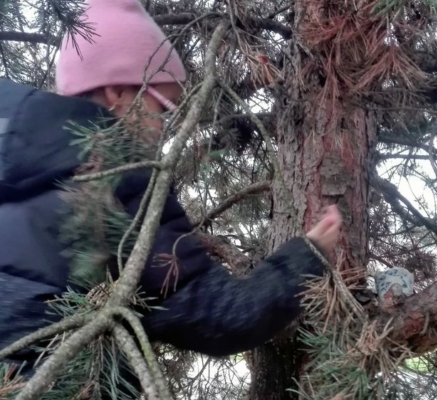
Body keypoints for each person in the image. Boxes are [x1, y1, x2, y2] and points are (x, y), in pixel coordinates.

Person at [0, 0, 342, 394]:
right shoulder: (121, 179)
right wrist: (309, 256)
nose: (166, 127)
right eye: (163, 107)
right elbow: (220, 317)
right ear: (117, 91)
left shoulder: (16, 163)